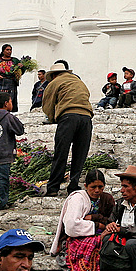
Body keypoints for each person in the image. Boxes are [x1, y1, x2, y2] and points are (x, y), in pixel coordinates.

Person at [50, 169, 116, 271]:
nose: (97, 190)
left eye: (100, 187)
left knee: (103, 243)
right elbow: (72, 225)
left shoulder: (107, 199)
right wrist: (96, 225)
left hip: (101, 233)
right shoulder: (78, 199)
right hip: (76, 237)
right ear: (85, 186)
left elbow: (111, 219)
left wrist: (95, 218)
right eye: (93, 187)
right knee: (87, 245)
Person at [42, 62, 94, 197]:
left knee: (61, 153)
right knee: (80, 154)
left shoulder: (55, 82)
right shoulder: (79, 82)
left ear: (53, 75)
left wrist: (53, 118)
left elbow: (47, 105)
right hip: (86, 118)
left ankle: (53, 187)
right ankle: (73, 185)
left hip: (69, 117)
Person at [0, 44, 22, 113]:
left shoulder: (15, 61)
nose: (9, 51)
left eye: (10, 50)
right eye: (7, 50)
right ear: (3, 51)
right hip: (1, 82)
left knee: (10, 99)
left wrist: (21, 67)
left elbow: (20, 71)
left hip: (11, 82)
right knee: (1, 99)